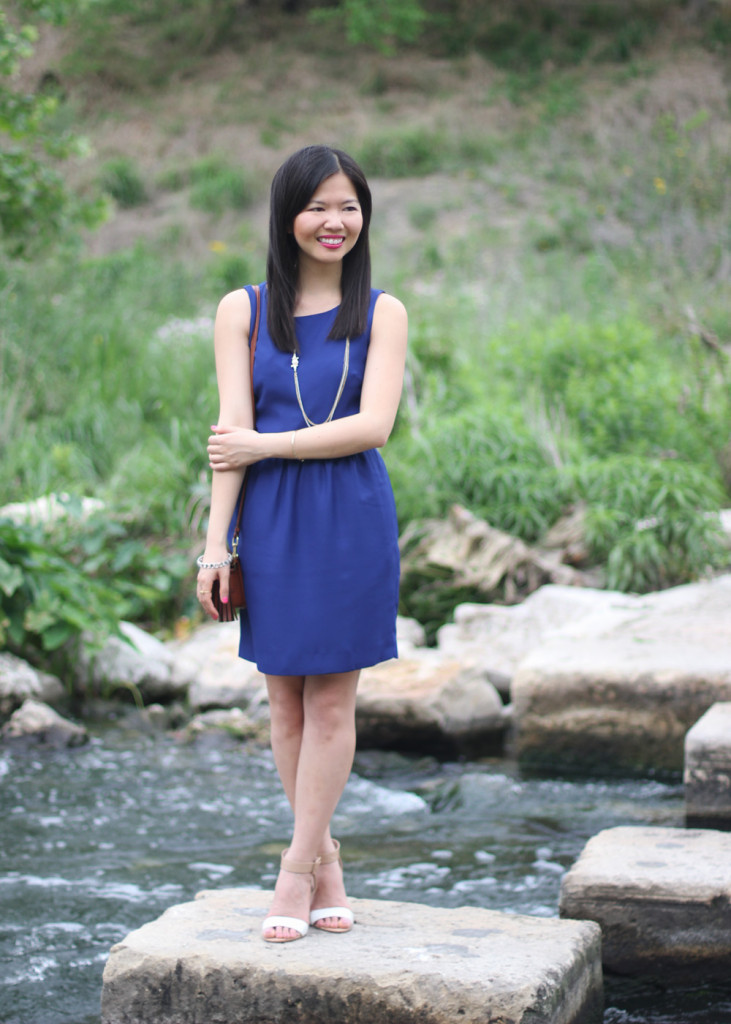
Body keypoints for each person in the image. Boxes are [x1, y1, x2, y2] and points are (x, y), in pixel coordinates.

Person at [195, 145, 408, 943]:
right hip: (269, 517)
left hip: (349, 514)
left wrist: (266, 445)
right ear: (287, 215)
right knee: (282, 701)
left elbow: (373, 426)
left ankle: (292, 872)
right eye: (318, 206)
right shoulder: (242, 310)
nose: (334, 221)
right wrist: (215, 547)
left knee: (328, 701)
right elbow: (230, 437)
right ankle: (326, 862)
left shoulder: (381, 312)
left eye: (348, 206)